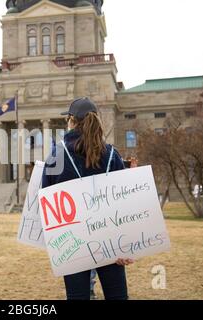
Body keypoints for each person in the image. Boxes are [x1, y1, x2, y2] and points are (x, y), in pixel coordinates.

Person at [42, 97, 134, 300]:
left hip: (71, 241)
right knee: (117, 296)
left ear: (71, 121)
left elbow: (45, 199)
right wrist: (126, 242)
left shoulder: (57, 155)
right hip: (110, 236)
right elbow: (126, 202)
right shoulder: (111, 154)